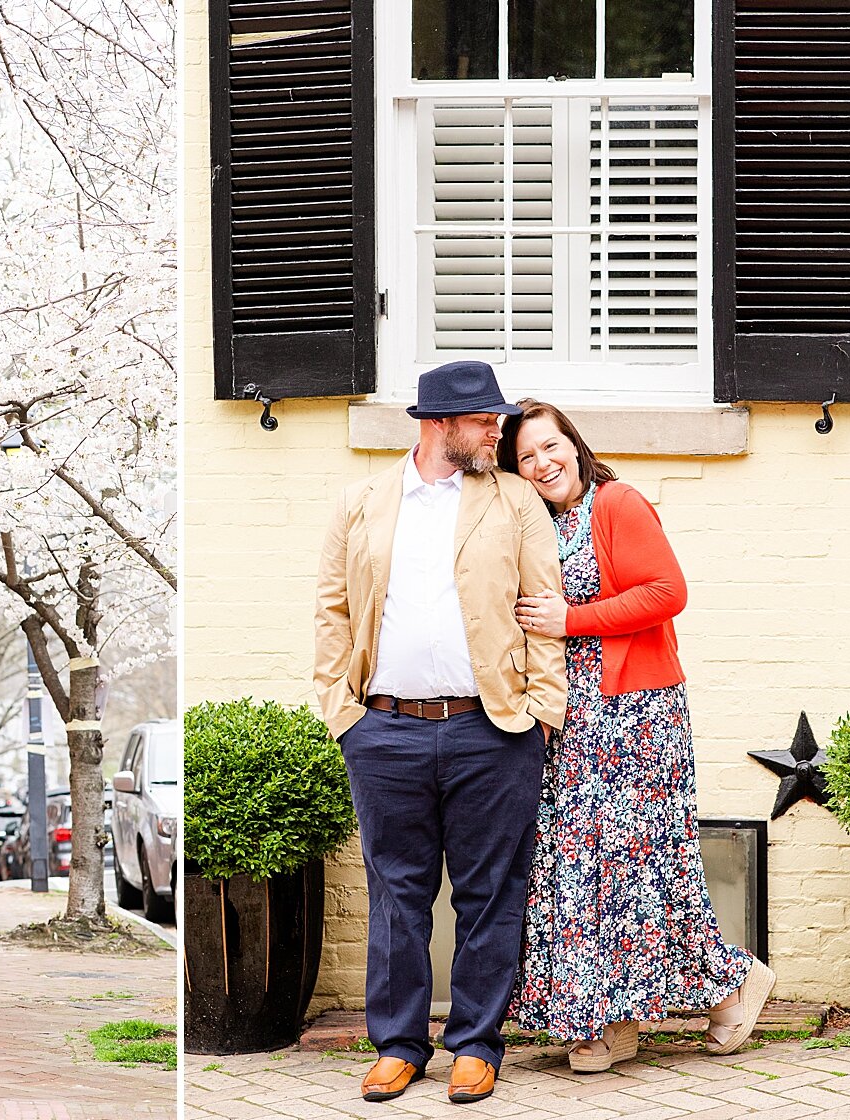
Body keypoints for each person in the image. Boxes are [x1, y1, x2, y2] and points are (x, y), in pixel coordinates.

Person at [314, 361, 568, 1105]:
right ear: (437, 426)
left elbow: (542, 604)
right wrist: (343, 714)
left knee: (491, 892)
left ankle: (476, 1044)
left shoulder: (515, 500)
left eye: (497, 419)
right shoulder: (359, 502)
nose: (499, 430)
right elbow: (332, 612)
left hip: (492, 729)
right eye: (484, 420)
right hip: (383, 730)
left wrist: (542, 712)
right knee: (398, 893)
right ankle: (398, 1044)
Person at [500, 400, 775, 1072]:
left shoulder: (616, 502)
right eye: (526, 456)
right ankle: (606, 1018)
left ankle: (731, 983)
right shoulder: (542, 523)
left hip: (637, 715)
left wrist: (572, 618)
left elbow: (665, 591)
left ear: (574, 443)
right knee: (582, 870)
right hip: (571, 720)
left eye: (550, 446)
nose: (542, 463)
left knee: (648, 866)